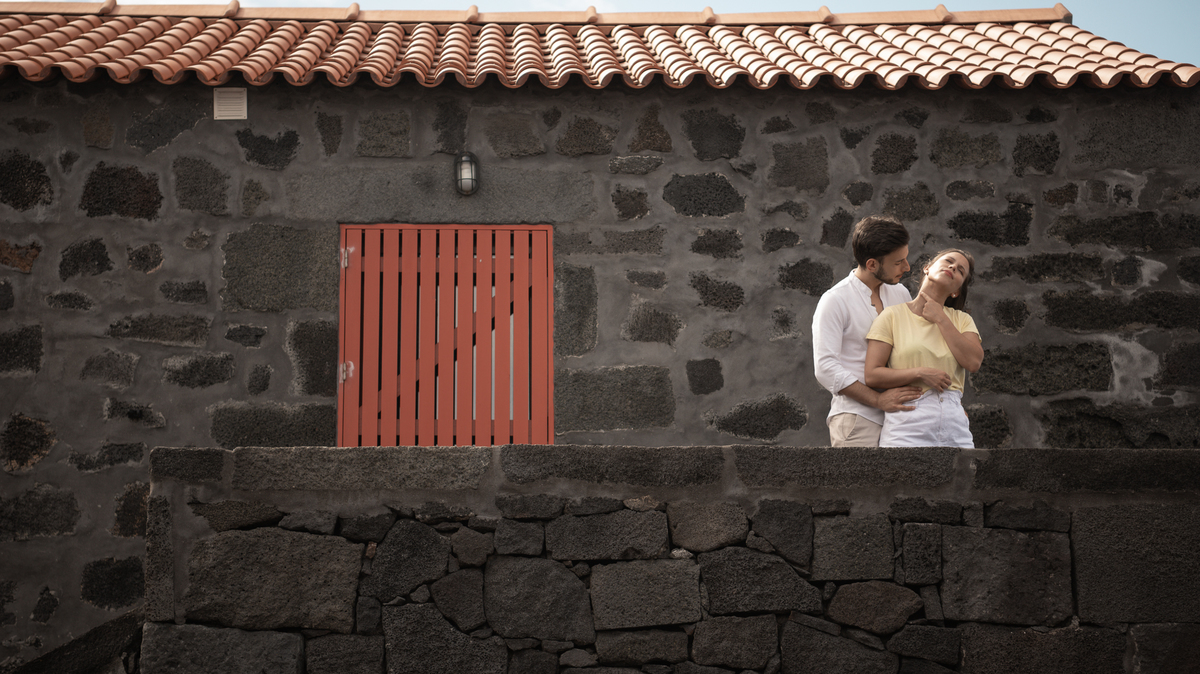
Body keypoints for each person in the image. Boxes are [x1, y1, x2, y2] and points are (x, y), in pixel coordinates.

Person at [812, 215, 923, 447]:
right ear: (872, 264)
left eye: (905, 258)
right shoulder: (835, 300)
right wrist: (878, 399)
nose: (907, 267)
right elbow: (825, 368)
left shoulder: (900, 293)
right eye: (898, 262)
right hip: (856, 420)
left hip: (902, 419)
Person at [863, 249, 984, 448]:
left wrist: (941, 317)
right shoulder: (892, 316)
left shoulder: (961, 320)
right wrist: (921, 373)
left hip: (953, 421)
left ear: (957, 291)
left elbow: (973, 362)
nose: (953, 267)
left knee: (961, 479)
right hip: (908, 422)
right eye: (949, 261)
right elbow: (872, 375)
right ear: (927, 268)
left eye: (961, 271)